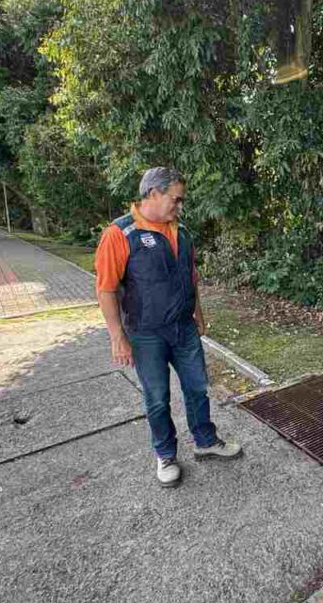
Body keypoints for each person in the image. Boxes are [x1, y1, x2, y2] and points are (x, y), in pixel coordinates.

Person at [95, 167, 242, 488]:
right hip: (146, 334)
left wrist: (198, 313)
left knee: (197, 387)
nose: (180, 206)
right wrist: (117, 336)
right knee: (158, 397)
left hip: (183, 328)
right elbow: (105, 289)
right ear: (153, 194)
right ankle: (165, 454)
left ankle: (205, 441)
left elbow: (191, 277)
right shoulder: (120, 234)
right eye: (176, 200)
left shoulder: (182, 231)